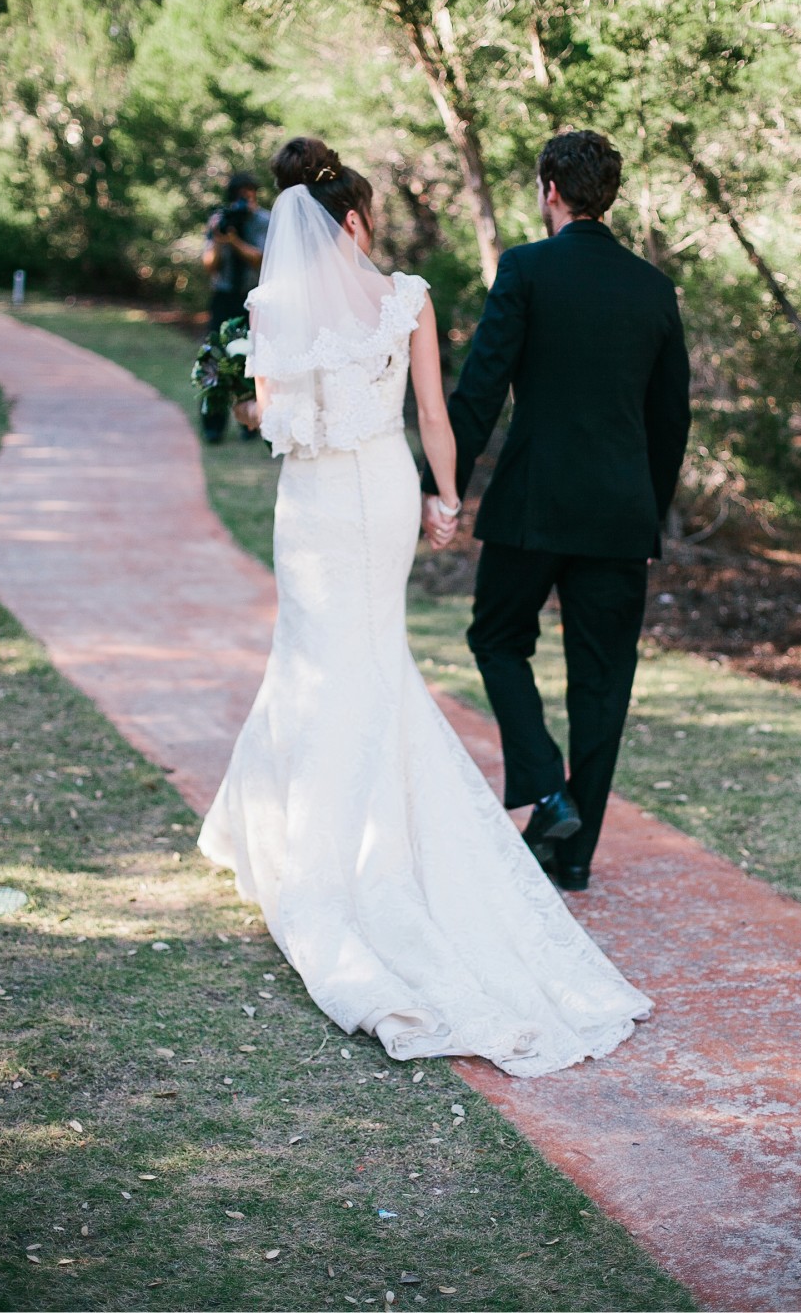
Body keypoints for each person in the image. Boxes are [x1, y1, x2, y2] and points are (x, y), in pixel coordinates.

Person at [197, 136, 652, 1077]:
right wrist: (446, 499)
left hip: (316, 502)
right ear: (355, 221)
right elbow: (435, 417)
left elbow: (273, 424)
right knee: (372, 655)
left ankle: (306, 843)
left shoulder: (269, 305)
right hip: (384, 494)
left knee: (316, 653)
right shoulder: (407, 297)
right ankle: (368, 834)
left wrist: (245, 396)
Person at [423, 130, 691, 893]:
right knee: (602, 684)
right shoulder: (652, 289)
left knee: (496, 636)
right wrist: (649, 512)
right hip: (619, 519)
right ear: (607, 194)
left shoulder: (526, 269)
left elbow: (480, 390)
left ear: (549, 190)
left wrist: (438, 484)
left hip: (533, 505)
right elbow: (672, 421)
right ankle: (573, 857)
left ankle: (547, 791)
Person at [201, 171, 271, 443]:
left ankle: (251, 421)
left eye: (250, 196)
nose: (246, 202)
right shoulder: (220, 221)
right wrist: (219, 240)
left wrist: (236, 242)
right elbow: (209, 265)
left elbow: (262, 260)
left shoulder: (264, 221)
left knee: (252, 359)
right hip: (224, 296)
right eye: (241, 197)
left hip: (254, 297)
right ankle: (213, 424)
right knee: (215, 360)